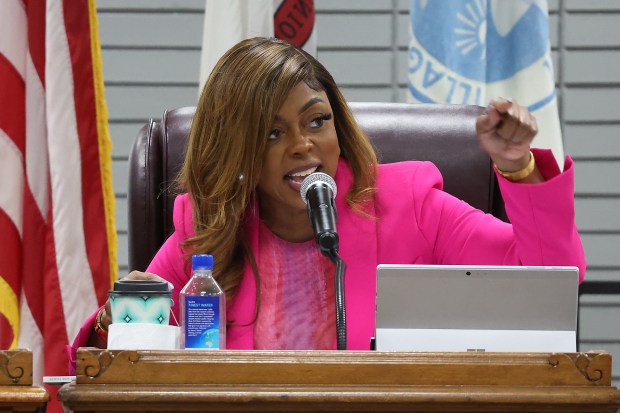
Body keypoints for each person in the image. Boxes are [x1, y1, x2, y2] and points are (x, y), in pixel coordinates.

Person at [69, 37, 585, 362]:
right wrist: (122, 318)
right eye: (272, 134)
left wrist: (518, 167)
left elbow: (548, 282)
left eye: (317, 121)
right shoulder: (207, 225)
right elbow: (120, 354)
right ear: (237, 151)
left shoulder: (410, 202)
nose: (304, 145)